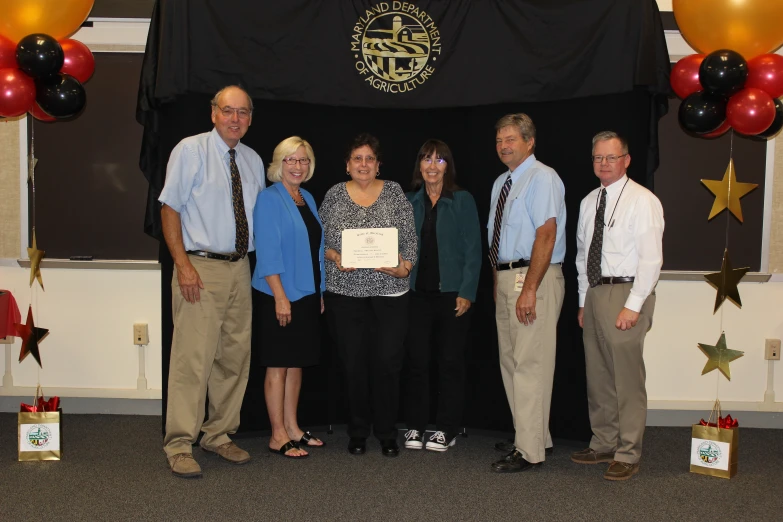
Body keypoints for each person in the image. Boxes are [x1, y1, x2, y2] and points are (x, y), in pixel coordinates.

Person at [159, 85, 265, 478]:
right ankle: (179, 444)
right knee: (192, 360)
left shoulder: (253, 160)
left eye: (242, 112)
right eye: (227, 111)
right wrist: (183, 265)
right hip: (200, 267)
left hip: (241, 268)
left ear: (250, 119)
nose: (235, 119)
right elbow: (170, 208)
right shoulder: (191, 150)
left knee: (234, 357)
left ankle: (218, 434)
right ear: (213, 113)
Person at [572, 131, 664, 481]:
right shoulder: (588, 201)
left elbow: (651, 260)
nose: (604, 164)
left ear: (626, 160)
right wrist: (583, 301)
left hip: (627, 293)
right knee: (598, 375)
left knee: (626, 379)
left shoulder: (643, 201)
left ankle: (628, 451)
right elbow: (583, 256)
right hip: (596, 294)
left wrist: (634, 305)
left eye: (611, 157)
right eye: (598, 158)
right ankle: (604, 442)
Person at [319, 133, 417, 458]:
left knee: (388, 364)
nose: (363, 164)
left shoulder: (393, 191)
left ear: (378, 165)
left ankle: (387, 432)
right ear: (347, 165)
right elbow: (321, 243)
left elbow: (410, 239)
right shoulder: (333, 195)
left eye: (369, 159)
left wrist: (405, 268)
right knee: (353, 365)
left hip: (390, 294)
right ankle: (358, 431)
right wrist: (335, 258)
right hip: (345, 295)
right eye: (357, 159)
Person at [488, 113, 566, 473]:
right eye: (500, 140)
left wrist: (529, 289)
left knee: (530, 365)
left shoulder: (542, 178)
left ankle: (530, 451)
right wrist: (497, 285)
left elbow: (546, 234)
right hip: (507, 279)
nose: (504, 146)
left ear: (530, 142)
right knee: (512, 364)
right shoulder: (501, 183)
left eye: (511, 139)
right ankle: (530, 435)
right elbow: (497, 243)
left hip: (532, 278)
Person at [402, 139, 481, 452]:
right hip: (416, 296)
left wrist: (467, 292)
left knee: (450, 363)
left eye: (439, 160)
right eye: (426, 159)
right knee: (416, 363)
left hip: (452, 296)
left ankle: (446, 428)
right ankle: (416, 426)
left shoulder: (462, 200)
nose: (432, 166)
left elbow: (474, 250)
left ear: (448, 166)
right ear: (419, 165)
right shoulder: (409, 201)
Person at [252, 136, 325, 459]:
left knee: (296, 363)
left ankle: (293, 427)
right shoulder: (269, 199)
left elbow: (316, 249)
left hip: (307, 293)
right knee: (278, 365)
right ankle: (277, 434)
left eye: (303, 160)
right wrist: (280, 297)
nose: (298, 166)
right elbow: (267, 253)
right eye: (291, 160)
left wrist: (319, 292)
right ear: (278, 164)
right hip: (278, 294)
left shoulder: (306, 197)